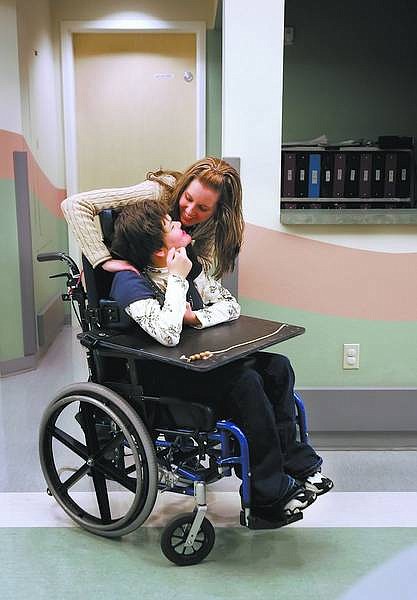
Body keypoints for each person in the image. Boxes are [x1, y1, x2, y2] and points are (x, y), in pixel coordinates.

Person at [109, 198, 333, 525]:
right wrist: (176, 280)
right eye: (171, 226)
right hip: (163, 376)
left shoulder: (189, 266)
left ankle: (293, 462)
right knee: (246, 382)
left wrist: (196, 317)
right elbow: (168, 334)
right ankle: (266, 494)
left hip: (203, 361)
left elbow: (230, 307)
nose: (180, 226)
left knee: (277, 367)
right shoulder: (130, 283)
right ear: (159, 250)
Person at [61, 157, 244, 280]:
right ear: (183, 188)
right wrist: (104, 261)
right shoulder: (155, 192)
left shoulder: (213, 221)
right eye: (188, 198)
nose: (188, 212)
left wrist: (176, 273)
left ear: (218, 211)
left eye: (203, 208)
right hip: (129, 278)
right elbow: (74, 205)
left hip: (164, 282)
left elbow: (201, 262)